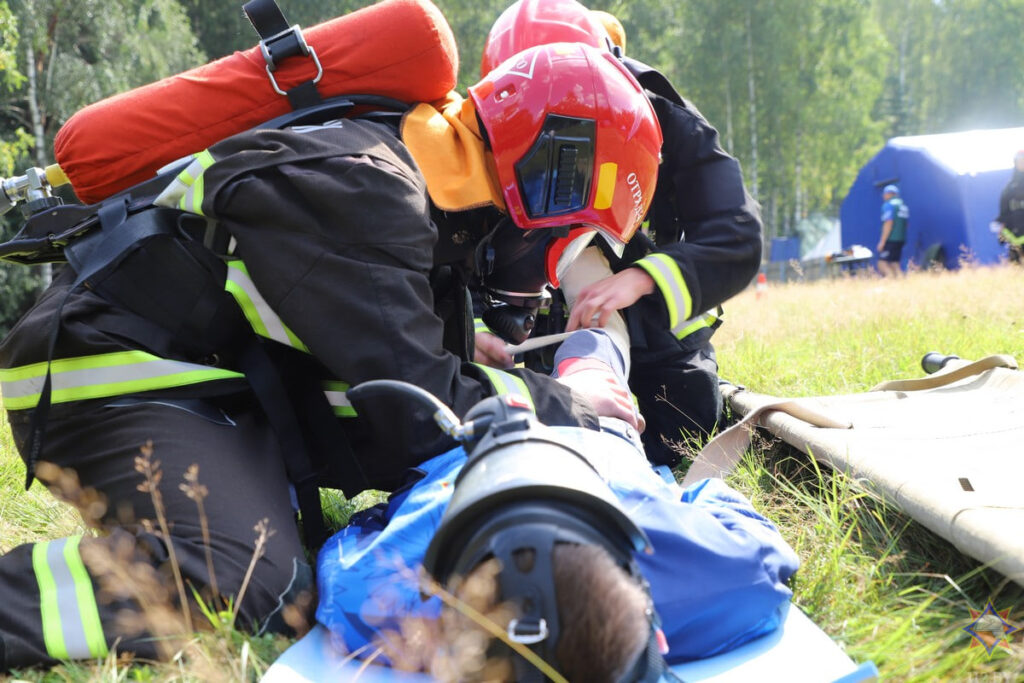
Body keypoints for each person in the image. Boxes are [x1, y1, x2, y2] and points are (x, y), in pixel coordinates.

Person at [0, 41, 662, 670]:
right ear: (546, 167)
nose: (550, 273)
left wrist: (475, 368)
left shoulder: (425, 191)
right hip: (113, 369)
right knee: (253, 580)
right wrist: (560, 401)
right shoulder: (373, 188)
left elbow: (382, 376)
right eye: (568, 231)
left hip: (205, 376)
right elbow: (414, 413)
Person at [314, 343, 799, 680]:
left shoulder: (729, 582)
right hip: (491, 447)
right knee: (593, 345)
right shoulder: (379, 607)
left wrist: (672, 508)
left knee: (586, 352)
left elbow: (716, 502)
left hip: (595, 438)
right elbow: (356, 536)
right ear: (662, 637)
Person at [473, 0, 764, 467]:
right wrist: (470, 332)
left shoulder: (666, 122)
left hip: (650, 317)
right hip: (534, 334)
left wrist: (640, 280)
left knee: (680, 429)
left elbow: (737, 236)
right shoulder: (486, 126)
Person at [995, 150, 1024, 263]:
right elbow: (1004, 212)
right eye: (1020, 161)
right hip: (1015, 234)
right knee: (1016, 265)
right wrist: (1002, 228)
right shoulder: (1010, 187)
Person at [876, 184, 908, 277]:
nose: (883, 196)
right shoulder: (903, 206)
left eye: (884, 194)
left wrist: (882, 242)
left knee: (882, 263)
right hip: (901, 239)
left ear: (889, 194)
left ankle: (890, 280)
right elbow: (906, 224)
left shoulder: (889, 205)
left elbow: (888, 223)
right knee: (895, 263)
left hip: (891, 239)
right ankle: (901, 283)